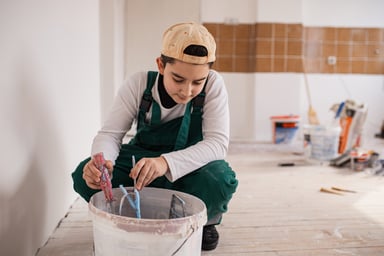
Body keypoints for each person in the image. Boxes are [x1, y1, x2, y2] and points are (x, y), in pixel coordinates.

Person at [72, 22, 238, 251]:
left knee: (219, 179)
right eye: (178, 79)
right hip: (140, 160)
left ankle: (203, 223)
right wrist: (103, 163)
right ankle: (127, 218)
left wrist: (165, 163)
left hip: (189, 165)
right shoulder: (139, 84)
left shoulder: (214, 85)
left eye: (197, 82)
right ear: (161, 65)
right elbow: (110, 134)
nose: (187, 90)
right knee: (83, 175)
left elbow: (217, 144)